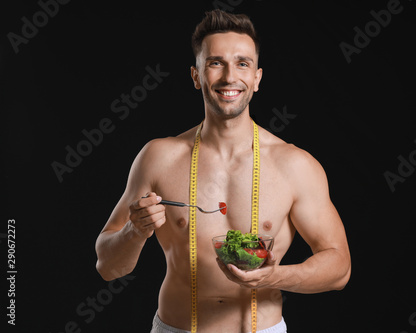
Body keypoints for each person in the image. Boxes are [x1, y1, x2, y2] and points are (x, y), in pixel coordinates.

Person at [95, 9, 351, 333]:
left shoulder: (295, 165)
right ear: (196, 75)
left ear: (257, 78)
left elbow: (339, 267)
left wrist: (275, 276)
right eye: (216, 63)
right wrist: (135, 232)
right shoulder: (159, 157)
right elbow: (107, 266)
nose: (230, 76)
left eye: (242, 63)